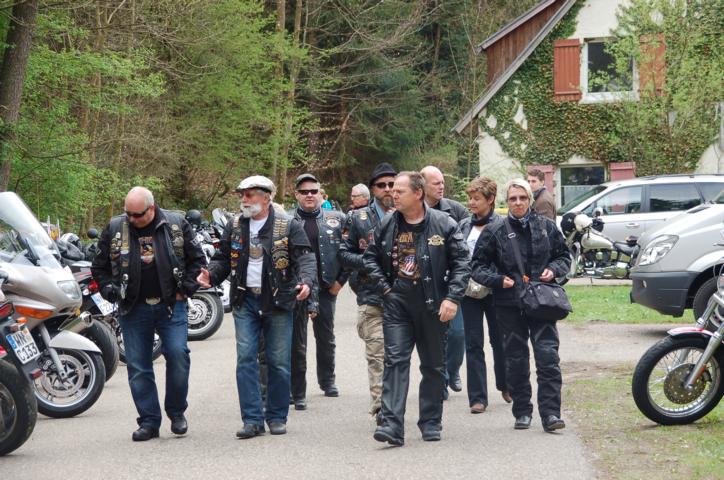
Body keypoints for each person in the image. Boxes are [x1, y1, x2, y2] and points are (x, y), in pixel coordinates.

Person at [196, 175, 316, 439]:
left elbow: (305, 258)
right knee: (246, 359)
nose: (244, 200)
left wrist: (306, 282)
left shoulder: (288, 225)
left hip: (278, 300)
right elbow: (222, 258)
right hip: (245, 300)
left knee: (278, 361)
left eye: (249, 194)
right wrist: (211, 275)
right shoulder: (235, 225)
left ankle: (276, 416)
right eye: (242, 195)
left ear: (266, 197)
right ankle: (252, 419)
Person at [92, 186, 205, 442]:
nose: (132, 219)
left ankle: (176, 412)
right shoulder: (115, 227)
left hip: (170, 305)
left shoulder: (176, 224)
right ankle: (149, 421)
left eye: (137, 214)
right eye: (128, 213)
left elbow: (197, 261)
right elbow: (99, 267)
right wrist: (109, 290)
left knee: (178, 354)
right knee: (138, 366)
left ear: (151, 209)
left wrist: (185, 290)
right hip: (133, 307)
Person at [364, 171, 469, 446]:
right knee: (395, 361)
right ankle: (392, 425)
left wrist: (452, 298)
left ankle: (431, 421)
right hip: (398, 304)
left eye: (399, 191)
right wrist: (386, 289)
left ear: (418, 193)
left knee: (433, 366)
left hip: (433, 303)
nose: (393, 194)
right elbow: (370, 259)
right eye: (392, 191)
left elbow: (462, 263)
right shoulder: (387, 223)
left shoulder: (444, 223)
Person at [470, 178, 571, 432]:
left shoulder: (546, 227)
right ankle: (522, 411)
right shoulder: (495, 231)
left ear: (530, 200)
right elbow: (477, 266)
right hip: (509, 304)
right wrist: (497, 280)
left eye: (523, 198)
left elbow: (563, 257)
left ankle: (551, 413)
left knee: (548, 358)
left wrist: (553, 269)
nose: (518, 203)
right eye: (513, 198)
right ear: (506, 201)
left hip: (542, 302)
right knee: (516, 359)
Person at [338, 162, 396, 423]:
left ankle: (395, 404)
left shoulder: (410, 214)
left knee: (398, 358)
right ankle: (382, 409)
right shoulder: (357, 219)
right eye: (381, 185)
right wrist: (371, 261)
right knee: (377, 355)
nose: (387, 189)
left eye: (392, 184)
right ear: (373, 189)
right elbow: (343, 254)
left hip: (404, 297)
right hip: (372, 297)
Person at [290, 173, 347, 410]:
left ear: (321, 193)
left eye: (314, 191)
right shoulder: (286, 221)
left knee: (326, 338)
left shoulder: (337, 219)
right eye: (304, 192)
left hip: (325, 287)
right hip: (297, 289)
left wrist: (340, 282)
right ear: (296, 195)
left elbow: (348, 252)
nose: (309, 195)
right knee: (296, 341)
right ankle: (296, 389)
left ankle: (327, 380)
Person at [458, 176, 511, 414]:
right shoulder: (463, 226)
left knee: (499, 340)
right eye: (470, 198)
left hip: (495, 290)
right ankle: (478, 398)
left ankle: (505, 384)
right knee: (473, 343)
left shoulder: (502, 225)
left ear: (490, 200)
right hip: (469, 292)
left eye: (476, 198)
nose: (471, 202)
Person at [420, 165, 469, 398]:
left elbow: (466, 244)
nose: (441, 186)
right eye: (436, 183)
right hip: (424, 285)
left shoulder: (455, 210)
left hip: (451, 283)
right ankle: (440, 381)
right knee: (433, 338)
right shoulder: (413, 210)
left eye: (442, 182)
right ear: (423, 185)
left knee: (457, 334)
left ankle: (453, 369)